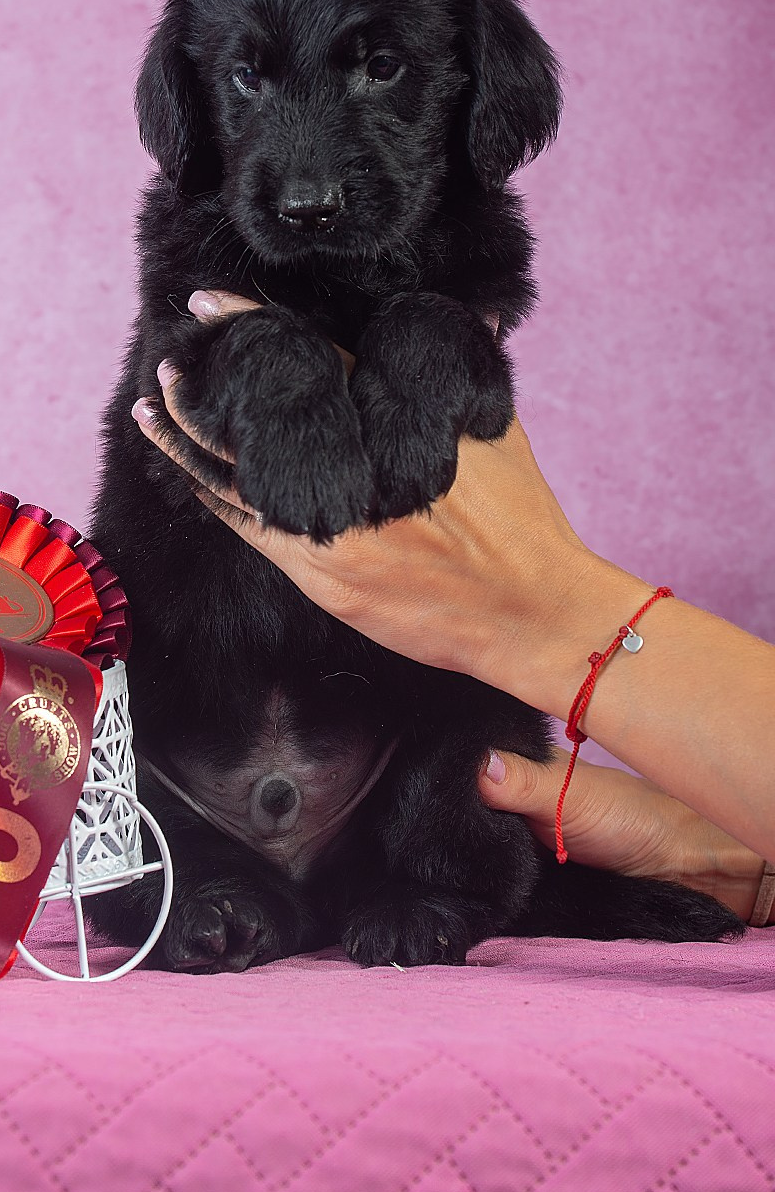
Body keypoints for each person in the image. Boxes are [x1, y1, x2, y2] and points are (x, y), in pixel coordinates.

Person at [131, 289, 775, 925]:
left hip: (379, 794)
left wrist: (550, 610)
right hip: (188, 790)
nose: (313, 200)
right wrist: (712, 856)